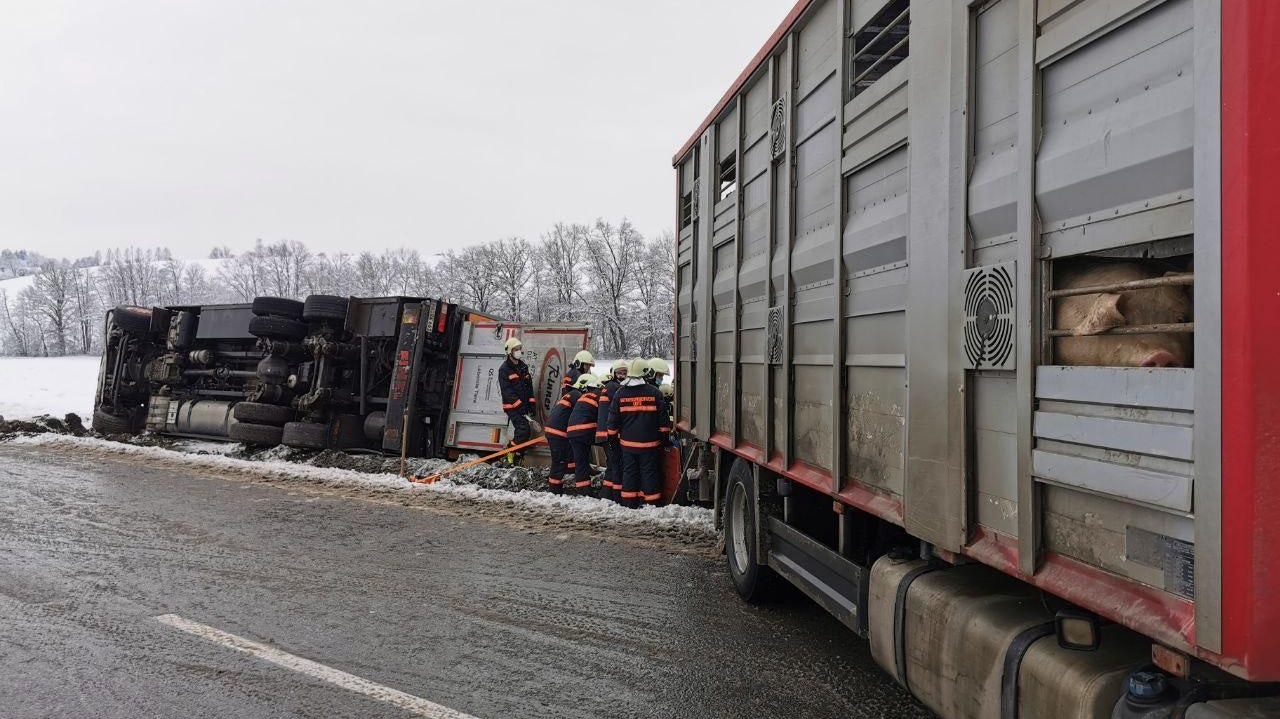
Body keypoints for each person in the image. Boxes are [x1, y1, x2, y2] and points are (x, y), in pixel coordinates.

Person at [608, 358, 670, 508]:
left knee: (629, 474)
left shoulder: (620, 393)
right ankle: (651, 503)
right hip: (650, 445)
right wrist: (664, 439)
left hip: (628, 445)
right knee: (649, 474)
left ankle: (629, 503)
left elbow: (613, 421)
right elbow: (664, 422)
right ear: (646, 374)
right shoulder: (655, 393)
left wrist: (612, 439)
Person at [497, 336, 537, 464]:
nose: (519, 351)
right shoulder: (504, 369)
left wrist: (531, 404)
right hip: (512, 407)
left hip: (523, 406)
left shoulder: (523, 367)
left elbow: (529, 387)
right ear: (510, 352)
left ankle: (517, 456)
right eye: (516, 349)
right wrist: (520, 406)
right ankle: (509, 452)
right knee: (523, 429)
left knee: (526, 432)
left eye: (520, 349)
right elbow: (507, 392)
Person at [595, 359, 628, 503]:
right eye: (619, 373)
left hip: (607, 434)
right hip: (608, 434)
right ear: (613, 374)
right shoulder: (614, 387)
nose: (622, 375)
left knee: (612, 466)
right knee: (616, 466)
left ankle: (606, 495)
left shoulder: (610, 386)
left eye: (625, 373)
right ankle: (615, 496)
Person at [544, 374, 581, 494]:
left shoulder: (572, 394)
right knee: (559, 462)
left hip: (557, 432)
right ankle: (554, 491)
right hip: (558, 433)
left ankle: (565, 480)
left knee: (564, 459)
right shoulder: (577, 396)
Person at [566, 373, 602, 495]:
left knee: (580, 462)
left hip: (572, 433)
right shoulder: (599, 396)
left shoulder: (583, 397)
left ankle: (583, 490)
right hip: (585, 431)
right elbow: (602, 417)